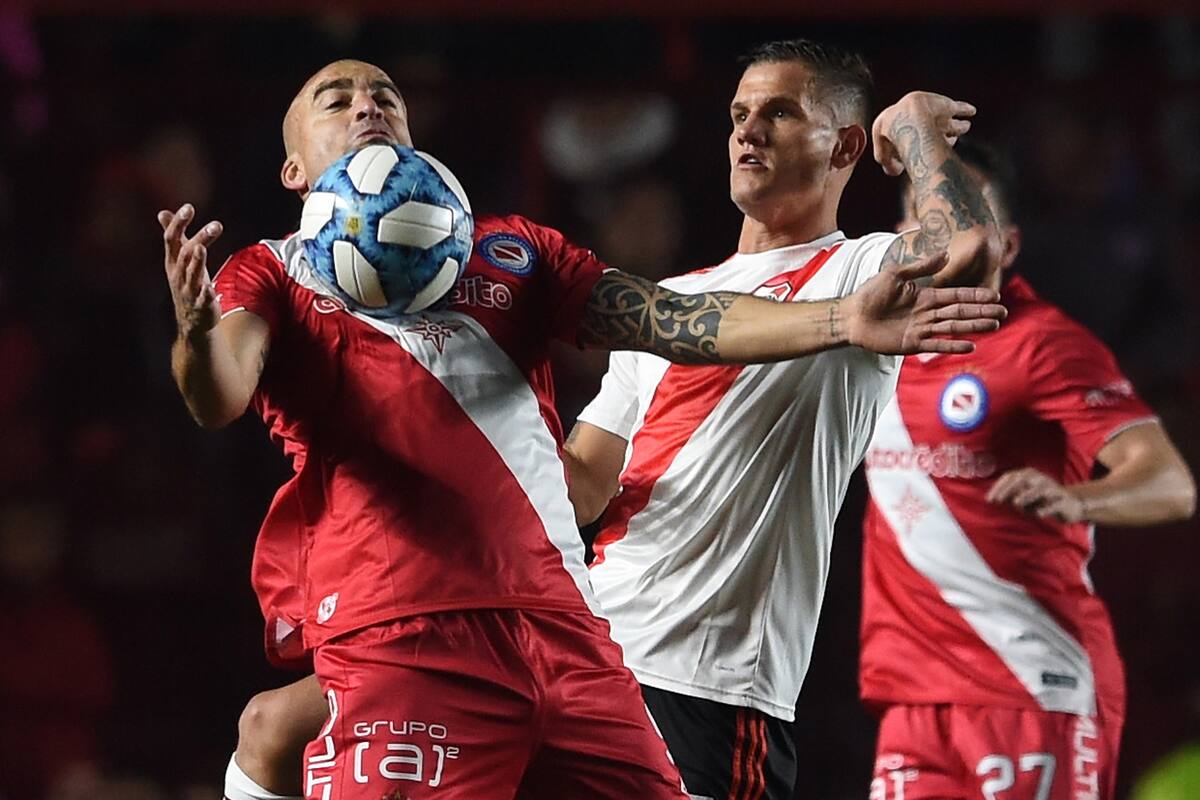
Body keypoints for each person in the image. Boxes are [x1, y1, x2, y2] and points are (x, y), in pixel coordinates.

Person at [160, 59, 1003, 800]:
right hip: (496, 631)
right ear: (293, 168)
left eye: (384, 94)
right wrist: (197, 336)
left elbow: (682, 319)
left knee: (275, 727)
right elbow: (219, 393)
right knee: (272, 728)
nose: (366, 104)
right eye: (336, 97)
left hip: (593, 644)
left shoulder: (520, 255)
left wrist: (853, 292)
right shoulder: (273, 272)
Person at [557, 39, 1005, 800]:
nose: (748, 130)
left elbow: (969, 250)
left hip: (709, 683)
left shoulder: (861, 270)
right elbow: (584, 487)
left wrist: (917, 131)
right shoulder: (669, 303)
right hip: (592, 653)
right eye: (739, 114)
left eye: (780, 113)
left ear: (847, 147)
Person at [859, 139, 1196, 800]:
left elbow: (1171, 482)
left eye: (965, 212)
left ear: (1006, 245)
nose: (945, 230)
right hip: (912, 702)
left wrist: (1080, 498)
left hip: (1032, 685)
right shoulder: (871, 350)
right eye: (927, 214)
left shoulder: (1042, 344)